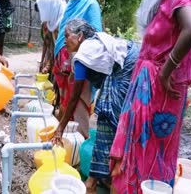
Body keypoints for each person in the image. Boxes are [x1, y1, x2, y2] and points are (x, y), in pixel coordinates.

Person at [109, 0, 191, 193]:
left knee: (143, 153)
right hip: (160, 89)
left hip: (156, 90)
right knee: (156, 156)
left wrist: (165, 71)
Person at [52, 19, 139, 192]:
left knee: (107, 115)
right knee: (113, 117)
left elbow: (74, 97)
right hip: (133, 57)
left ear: (80, 36)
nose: (64, 40)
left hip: (128, 64)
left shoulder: (85, 52)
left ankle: (102, 177)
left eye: (67, 36)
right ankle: (102, 175)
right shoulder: (90, 47)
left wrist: (60, 128)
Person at [53, 0, 102, 137]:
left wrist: (76, 56)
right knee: (65, 102)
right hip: (65, 64)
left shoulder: (91, 4)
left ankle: (79, 143)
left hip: (80, 62)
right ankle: (65, 139)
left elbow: (95, 35)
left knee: (79, 101)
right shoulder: (72, 2)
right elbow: (63, 32)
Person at [36, 0, 66, 77]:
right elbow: (47, 44)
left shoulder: (63, 23)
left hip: (63, 64)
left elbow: (60, 49)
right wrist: (44, 63)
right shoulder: (51, 21)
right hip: (53, 60)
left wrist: (48, 64)